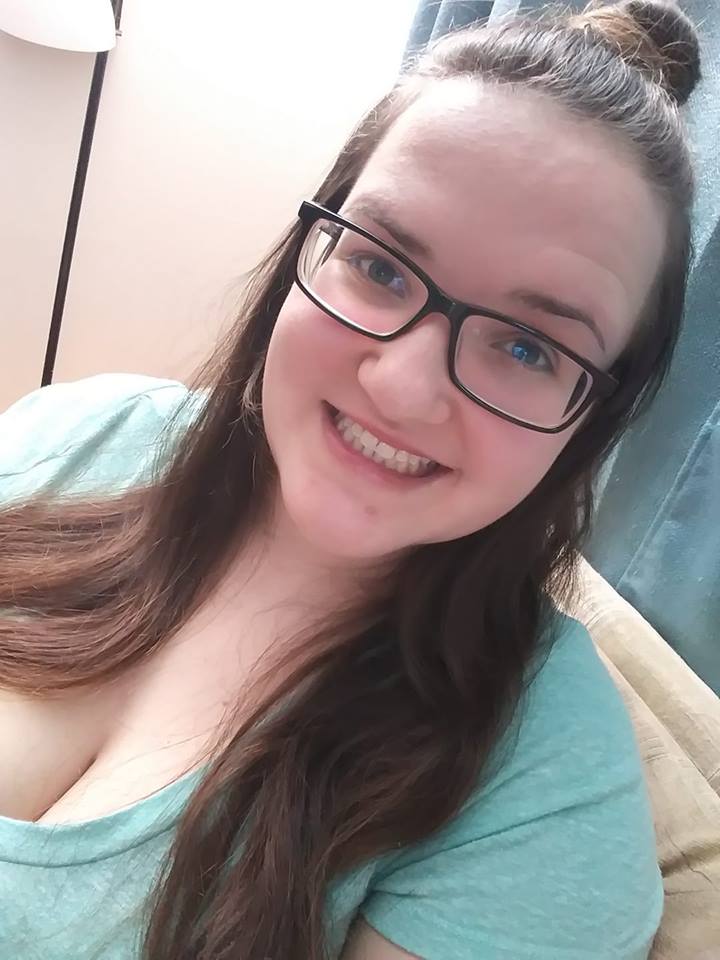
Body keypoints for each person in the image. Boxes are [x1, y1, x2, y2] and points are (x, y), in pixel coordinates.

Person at [0, 1, 703, 958]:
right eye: (380, 266)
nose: (403, 387)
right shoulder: (76, 434)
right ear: (311, 247)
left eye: (527, 348)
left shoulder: (548, 792)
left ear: (594, 417)